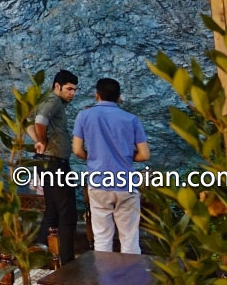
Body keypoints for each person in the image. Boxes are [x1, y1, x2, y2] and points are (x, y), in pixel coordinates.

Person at [72, 77, 149, 254]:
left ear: (97, 95)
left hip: (98, 183)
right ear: (118, 97)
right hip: (125, 184)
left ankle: (104, 279)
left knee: (102, 238)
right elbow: (145, 154)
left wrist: (93, 158)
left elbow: (77, 150)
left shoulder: (84, 116)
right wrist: (126, 156)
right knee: (129, 238)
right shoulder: (131, 119)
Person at [29, 69, 80, 263]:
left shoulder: (46, 100)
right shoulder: (53, 100)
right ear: (57, 86)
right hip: (55, 164)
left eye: (74, 89)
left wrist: (38, 143)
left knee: (52, 210)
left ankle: (40, 257)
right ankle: (67, 262)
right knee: (67, 213)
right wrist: (41, 140)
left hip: (48, 163)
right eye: (69, 89)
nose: (72, 93)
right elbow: (40, 120)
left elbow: (27, 121)